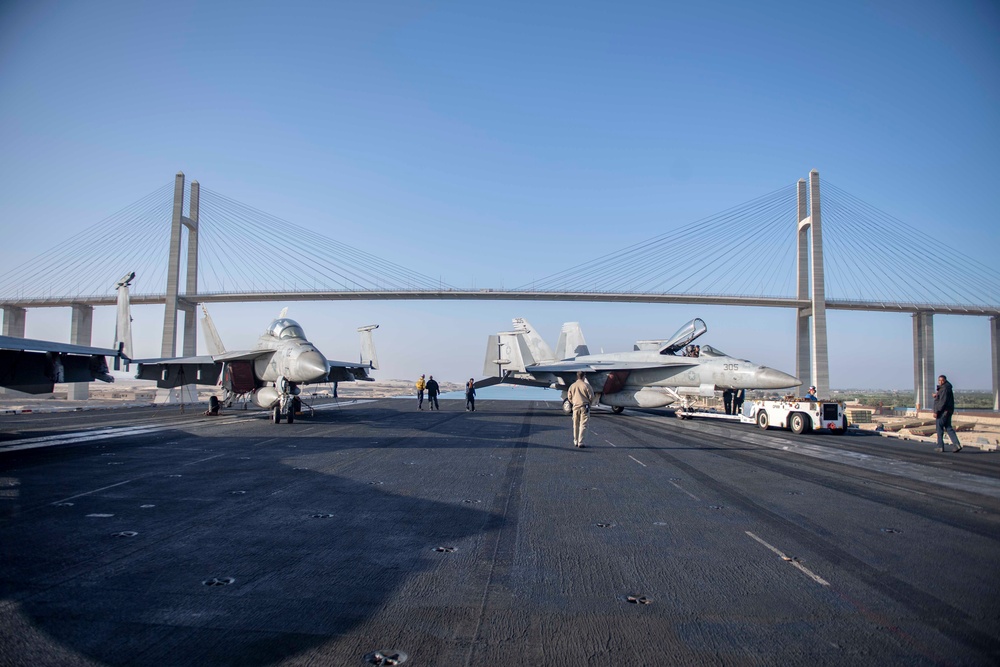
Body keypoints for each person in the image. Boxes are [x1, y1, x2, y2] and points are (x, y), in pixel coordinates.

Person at [932, 374, 962, 452]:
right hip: (948, 411)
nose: (940, 382)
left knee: (939, 429)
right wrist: (937, 396)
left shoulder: (944, 388)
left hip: (943, 412)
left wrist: (937, 411)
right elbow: (942, 398)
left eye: (942, 380)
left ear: (945, 380)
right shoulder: (946, 388)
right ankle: (956, 444)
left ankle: (940, 446)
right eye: (939, 380)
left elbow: (942, 401)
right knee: (948, 428)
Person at [567, 371, 595, 448]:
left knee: (575, 424)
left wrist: (574, 402)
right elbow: (591, 396)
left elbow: (569, 397)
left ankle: (575, 441)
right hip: (584, 407)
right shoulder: (586, 386)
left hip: (575, 407)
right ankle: (581, 442)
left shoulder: (572, 386)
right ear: (584, 376)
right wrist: (589, 403)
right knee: (583, 424)